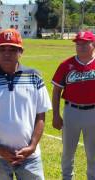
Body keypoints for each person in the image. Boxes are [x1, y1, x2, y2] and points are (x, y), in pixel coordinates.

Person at [0, 28, 52, 180]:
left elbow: (40, 115)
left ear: (21, 51)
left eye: (12, 49)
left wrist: (32, 146)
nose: (7, 53)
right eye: (2, 49)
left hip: (30, 157)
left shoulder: (34, 76)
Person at [52, 31, 95, 180]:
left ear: (93, 44)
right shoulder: (66, 65)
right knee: (68, 152)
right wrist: (56, 115)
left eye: (85, 43)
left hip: (93, 112)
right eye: (78, 44)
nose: (81, 46)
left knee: (93, 153)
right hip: (72, 111)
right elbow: (56, 91)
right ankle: (66, 177)